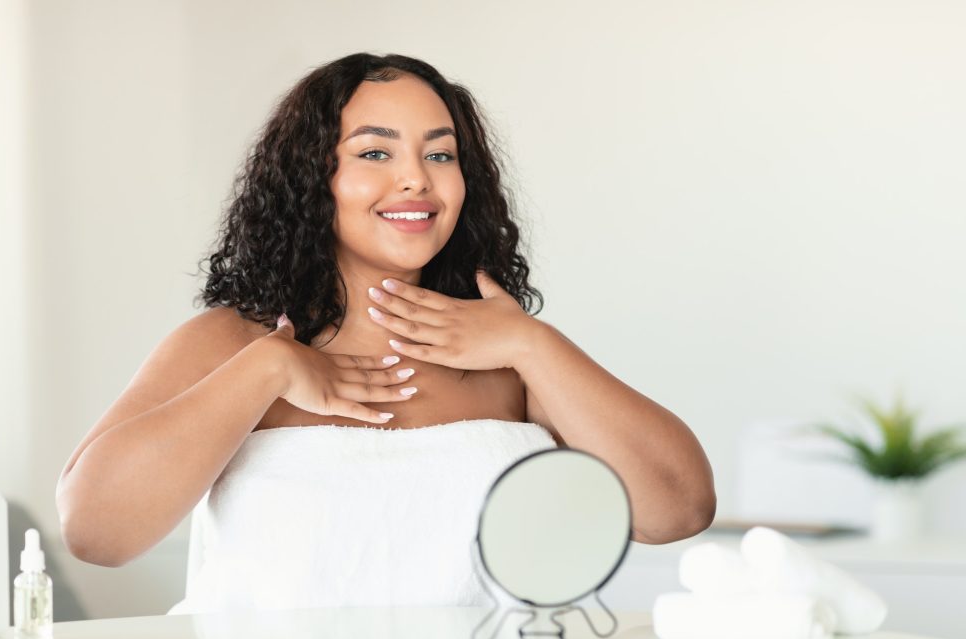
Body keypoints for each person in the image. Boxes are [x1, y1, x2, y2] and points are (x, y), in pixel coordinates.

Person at [56, 53, 715, 609]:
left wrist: (531, 344)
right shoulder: (228, 343)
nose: (416, 179)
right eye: (375, 151)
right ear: (314, 177)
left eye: (441, 153)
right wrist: (270, 371)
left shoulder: (508, 358)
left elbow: (677, 511)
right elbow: (95, 531)